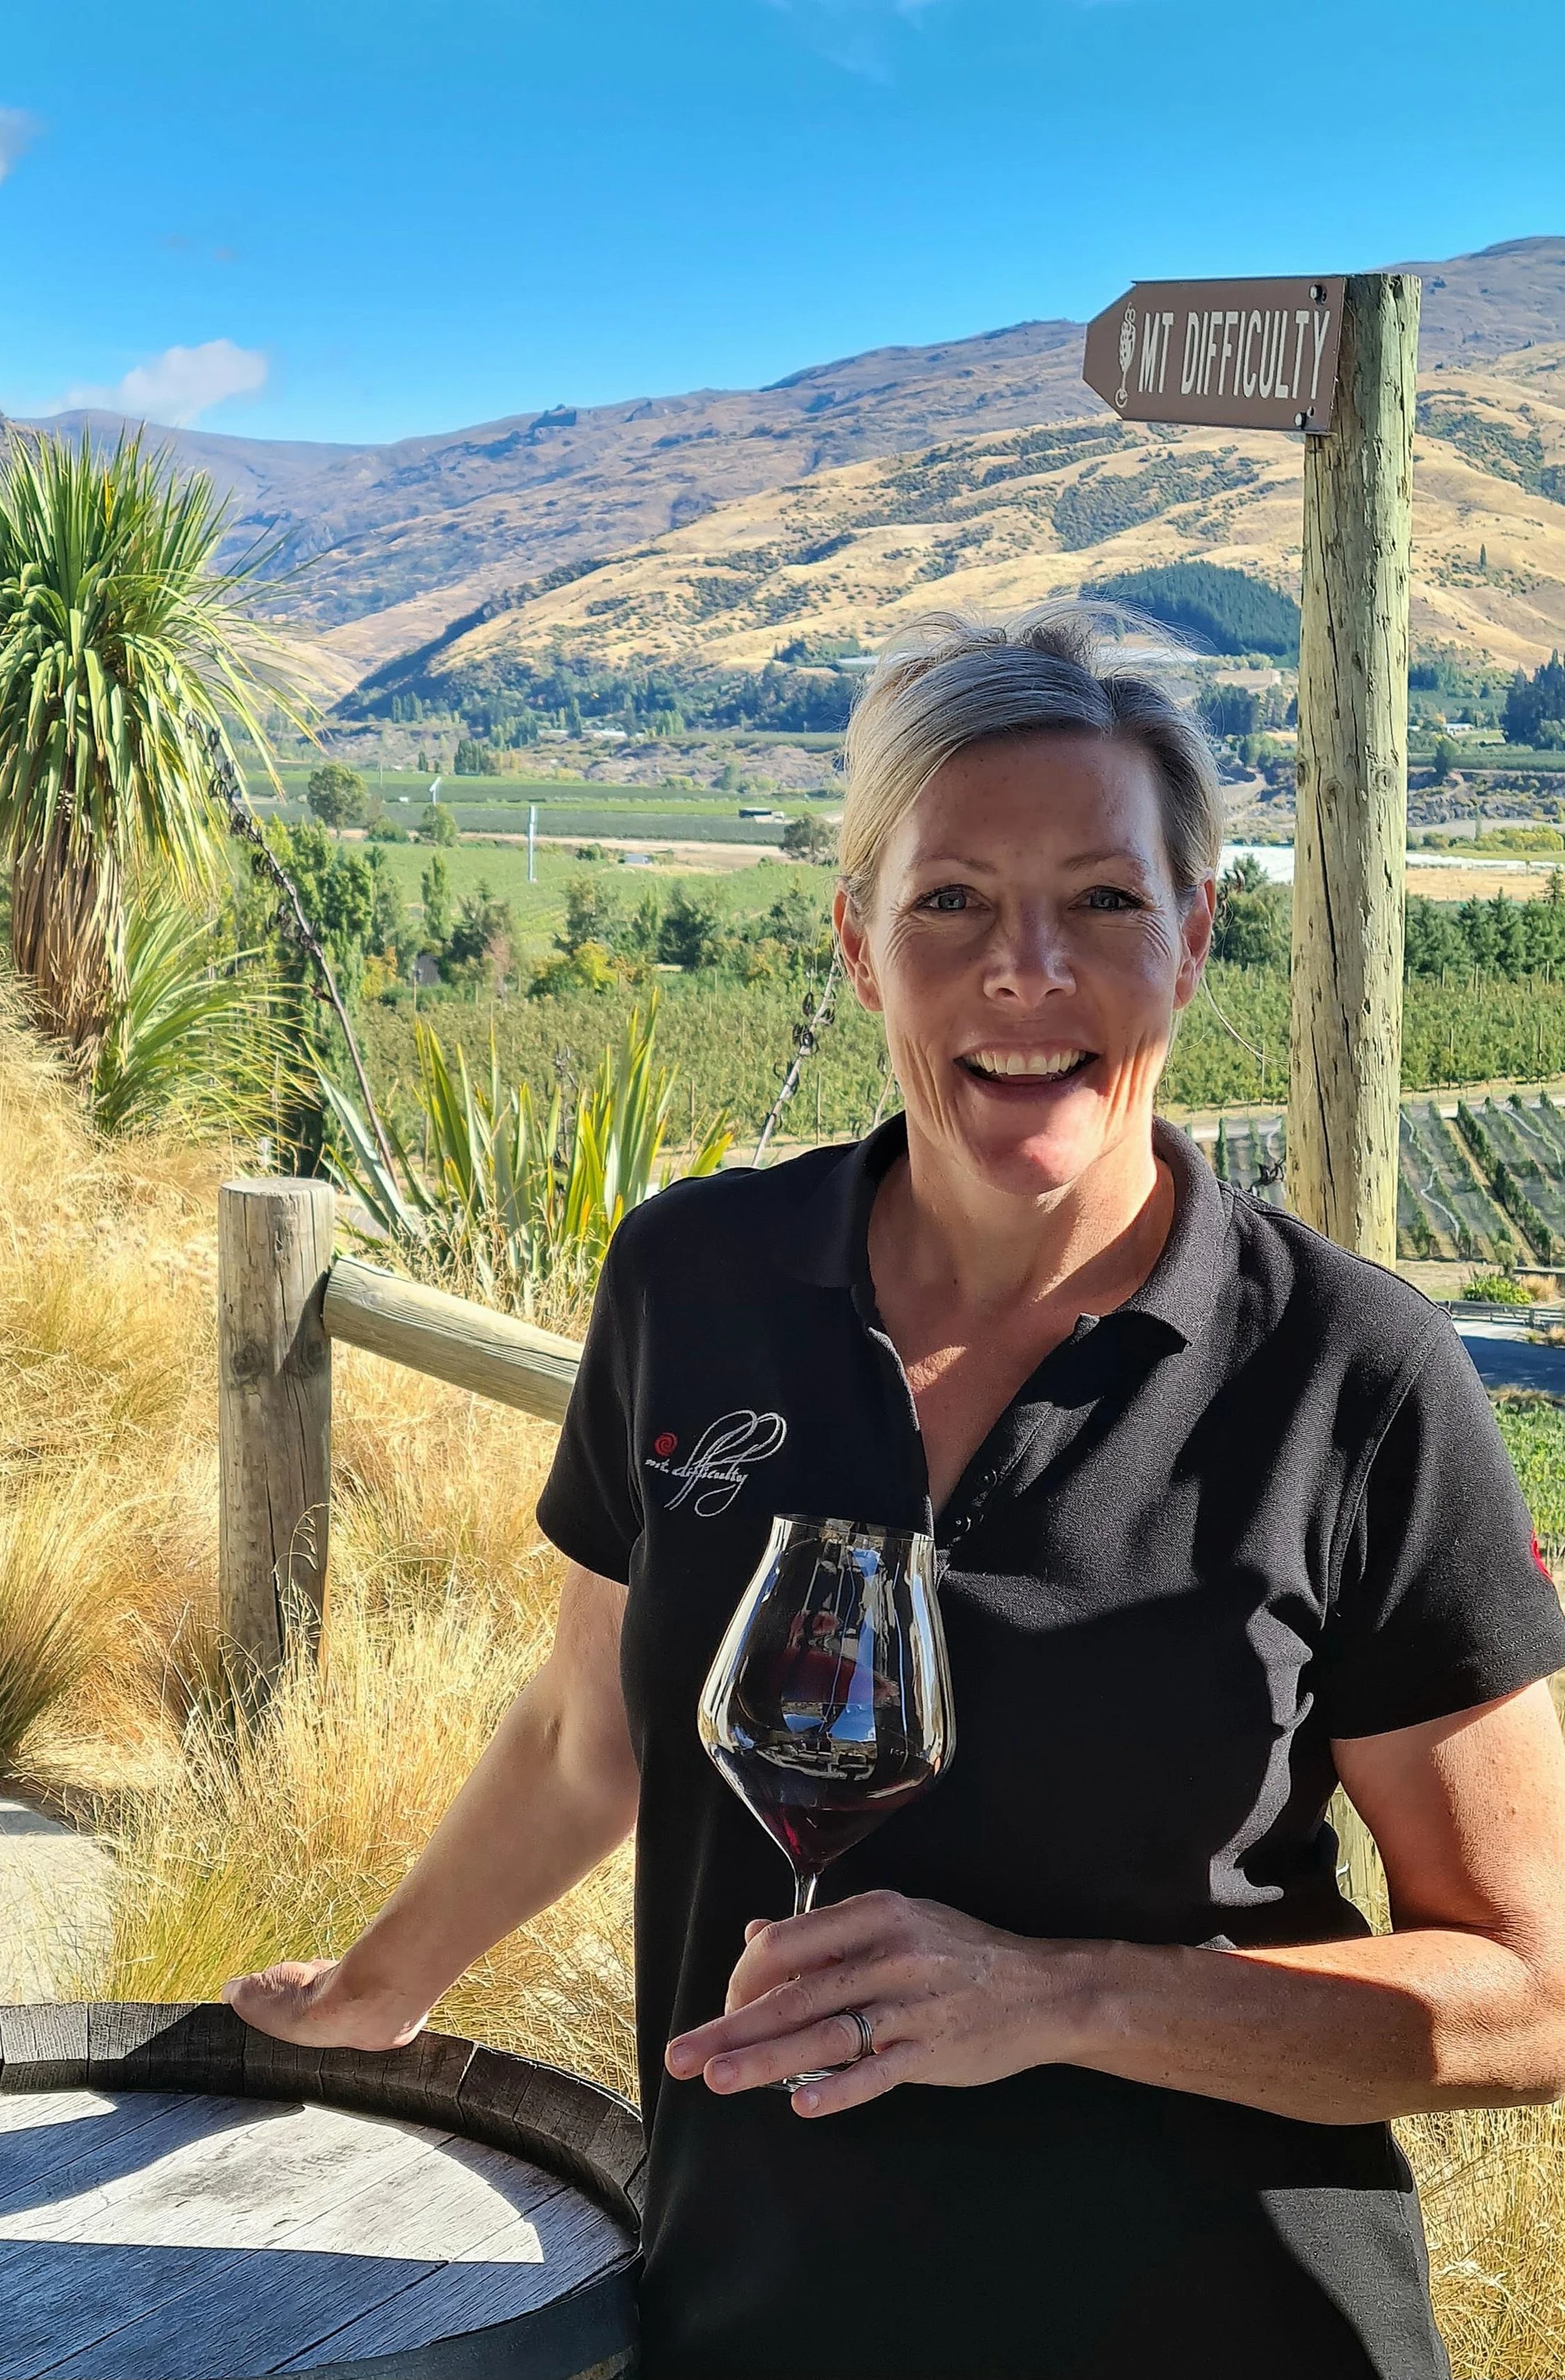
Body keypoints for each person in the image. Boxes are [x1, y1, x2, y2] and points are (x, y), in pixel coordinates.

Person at [226, 606, 1565, 2380]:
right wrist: (379, 1984)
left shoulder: (1349, 1373)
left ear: (1190, 939)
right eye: (950, 901)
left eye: (1101, 898)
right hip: (749, 2320)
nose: (1024, 970)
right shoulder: (694, 1281)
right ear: (859, 945)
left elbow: (1527, 1990)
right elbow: (582, 1735)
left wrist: (1062, 1996)